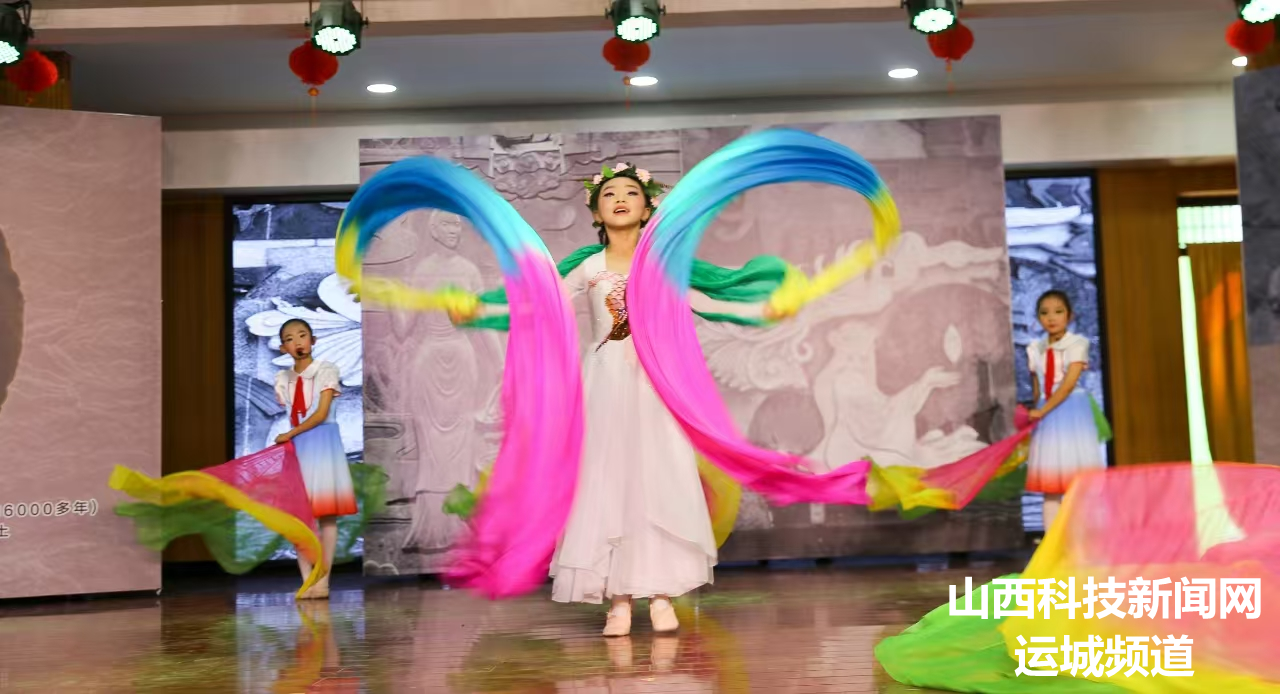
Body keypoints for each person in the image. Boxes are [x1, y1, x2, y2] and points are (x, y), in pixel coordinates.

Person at [447, 163, 783, 636]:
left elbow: (705, 303)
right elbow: (541, 305)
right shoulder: (589, 268)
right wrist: (480, 311)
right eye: (608, 194)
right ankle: (618, 599)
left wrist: (758, 310)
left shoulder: (660, 266)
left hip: (654, 386)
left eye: (630, 192)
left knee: (657, 479)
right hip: (604, 385)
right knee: (605, 481)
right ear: (595, 213)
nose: (620, 199)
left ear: (646, 209)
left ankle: (661, 592)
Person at [275, 318, 358, 599]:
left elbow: (321, 413)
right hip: (297, 448)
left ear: (313, 341)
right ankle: (306, 580)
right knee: (299, 518)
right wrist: (291, 437)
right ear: (283, 347)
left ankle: (323, 580)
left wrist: (290, 433)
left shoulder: (326, 370)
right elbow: (292, 412)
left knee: (326, 516)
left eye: (302, 336)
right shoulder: (283, 378)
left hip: (322, 443)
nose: (297, 342)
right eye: (290, 339)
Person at [1024, 289, 1108, 530]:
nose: (1051, 318)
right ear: (1038, 318)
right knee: (1050, 486)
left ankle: (1082, 540)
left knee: (1076, 484)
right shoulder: (1035, 348)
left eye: (1058, 312)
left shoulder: (1077, 344)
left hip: (1071, 414)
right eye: (1045, 313)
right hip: (1047, 417)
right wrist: (1036, 413)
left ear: (1069, 316)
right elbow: (1038, 388)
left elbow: (1068, 384)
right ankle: (1052, 544)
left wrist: (1043, 411)